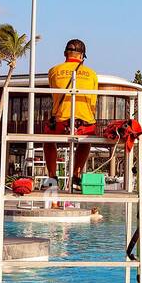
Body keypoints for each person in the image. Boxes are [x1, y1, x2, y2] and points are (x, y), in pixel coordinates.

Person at [42, 39, 98, 186]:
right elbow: (93, 103)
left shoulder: (54, 71)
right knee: (86, 141)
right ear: (82, 57)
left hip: (61, 122)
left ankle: (52, 176)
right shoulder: (92, 74)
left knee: (48, 139)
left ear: (65, 53)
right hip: (84, 125)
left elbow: (54, 94)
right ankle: (76, 174)